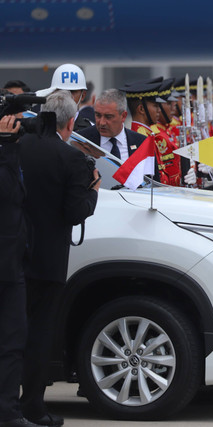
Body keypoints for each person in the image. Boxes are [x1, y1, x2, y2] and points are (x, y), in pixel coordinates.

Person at [19, 91, 100, 427]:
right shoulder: (72, 159)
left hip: (12, 257)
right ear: (69, 123)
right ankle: (33, 406)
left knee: (9, 332)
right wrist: (92, 191)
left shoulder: (16, 147)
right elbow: (75, 211)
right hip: (48, 261)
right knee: (39, 334)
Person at [0, 113, 44, 427]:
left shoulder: (10, 153)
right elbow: (8, 195)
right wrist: (7, 149)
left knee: (14, 341)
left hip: (12, 262)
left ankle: (9, 413)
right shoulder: (6, 154)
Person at [77, 89, 146, 162]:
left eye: (108, 117)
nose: (102, 123)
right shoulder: (81, 140)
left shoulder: (142, 144)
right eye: (98, 115)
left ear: (123, 116)